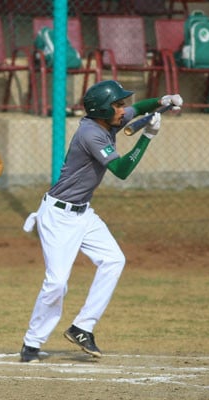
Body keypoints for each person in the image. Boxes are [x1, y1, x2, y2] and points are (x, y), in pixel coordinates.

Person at [19, 80, 183, 363]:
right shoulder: (91, 134)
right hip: (58, 216)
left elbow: (139, 108)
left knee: (113, 260)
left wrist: (163, 100)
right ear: (102, 110)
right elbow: (121, 170)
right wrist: (148, 137)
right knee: (57, 284)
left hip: (83, 213)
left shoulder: (108, 122)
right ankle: (31, 345)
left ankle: (82, 327)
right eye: (117, 105)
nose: (123, 110)